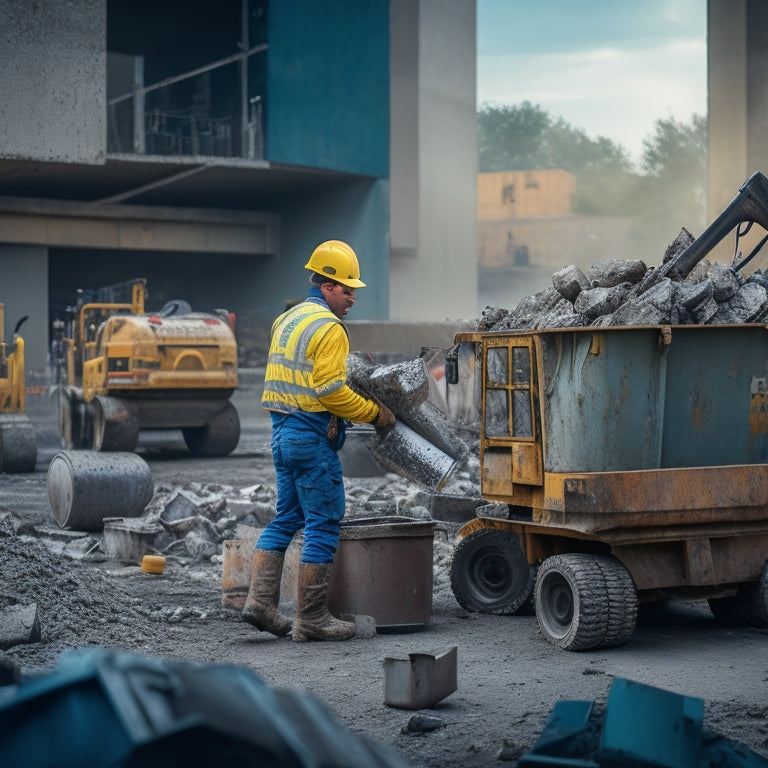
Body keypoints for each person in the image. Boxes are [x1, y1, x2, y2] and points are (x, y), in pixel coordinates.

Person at [242, 239, 396, 642]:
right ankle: (311, 619)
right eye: (347, 290)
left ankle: (260, 604)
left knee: (286, 519)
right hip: (310, 438)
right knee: (323, 523)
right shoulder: (330, 328)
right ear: (327, 285)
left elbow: (295, 381)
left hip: (280, 433)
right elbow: (329, 390)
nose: (352, 298)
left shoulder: (287, 319)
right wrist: (373, 413)